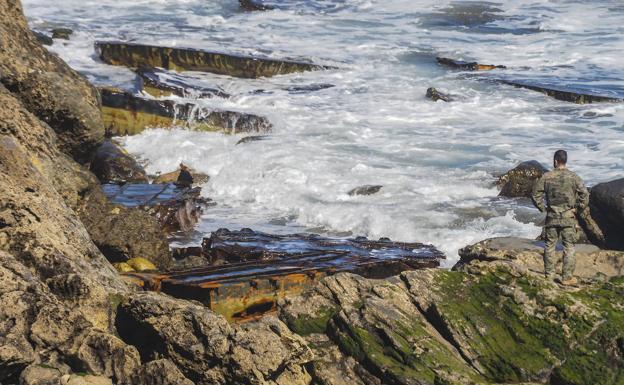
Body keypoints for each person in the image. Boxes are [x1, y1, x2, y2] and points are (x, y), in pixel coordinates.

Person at [531, 150, 589, 285]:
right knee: (569, 247)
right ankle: (567, 278)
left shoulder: (547, 176)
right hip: (569, 217)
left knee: (549, 246)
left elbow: (535, 195)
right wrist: (578, 208)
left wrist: (542, 208)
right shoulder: (574, 177)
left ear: (555, 161)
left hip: (552, 217)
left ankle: (549, 276)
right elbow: (585, 195)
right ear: (565, 161)